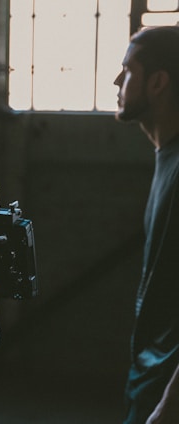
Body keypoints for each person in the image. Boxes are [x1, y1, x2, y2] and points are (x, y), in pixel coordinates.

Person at [114, 25, 179, 424]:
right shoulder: (167, 157)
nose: (117, 80)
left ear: (157, 82)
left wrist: (169, 406)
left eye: (127, 70)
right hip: (150, 375)